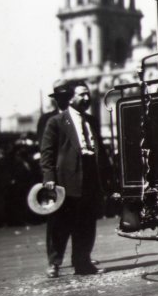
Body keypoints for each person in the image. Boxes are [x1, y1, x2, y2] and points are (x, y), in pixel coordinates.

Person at [40, 80, 111, 277]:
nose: (86, 98)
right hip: (66, 178)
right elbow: (47, 153)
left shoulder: (92, 120)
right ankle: (54, 263)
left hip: (90, 175)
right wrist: (49, 178)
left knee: (87, 222)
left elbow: (101, 151)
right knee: (60, 222)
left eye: (88, 94)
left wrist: (106, 176)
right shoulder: (56, 122)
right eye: (81, 94)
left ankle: (82, 263)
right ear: (71, 98)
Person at [36, 80, 71, 145]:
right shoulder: (46, 119)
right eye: (59, 97)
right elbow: (43, 144)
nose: (63, 100)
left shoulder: (76, 116)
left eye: (66, 96)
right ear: (55, 98)